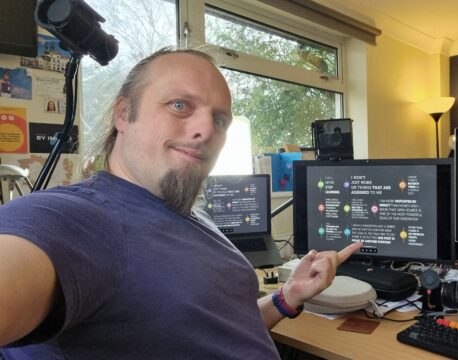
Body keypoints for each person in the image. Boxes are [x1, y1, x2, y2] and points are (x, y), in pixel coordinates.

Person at [0, 47, 362, 359]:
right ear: (123, 114)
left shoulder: (192, 215)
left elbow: (220, 326)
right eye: (179, 105)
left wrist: (288, 296)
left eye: (220, 119)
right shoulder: (78, 218)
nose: (206, 130)